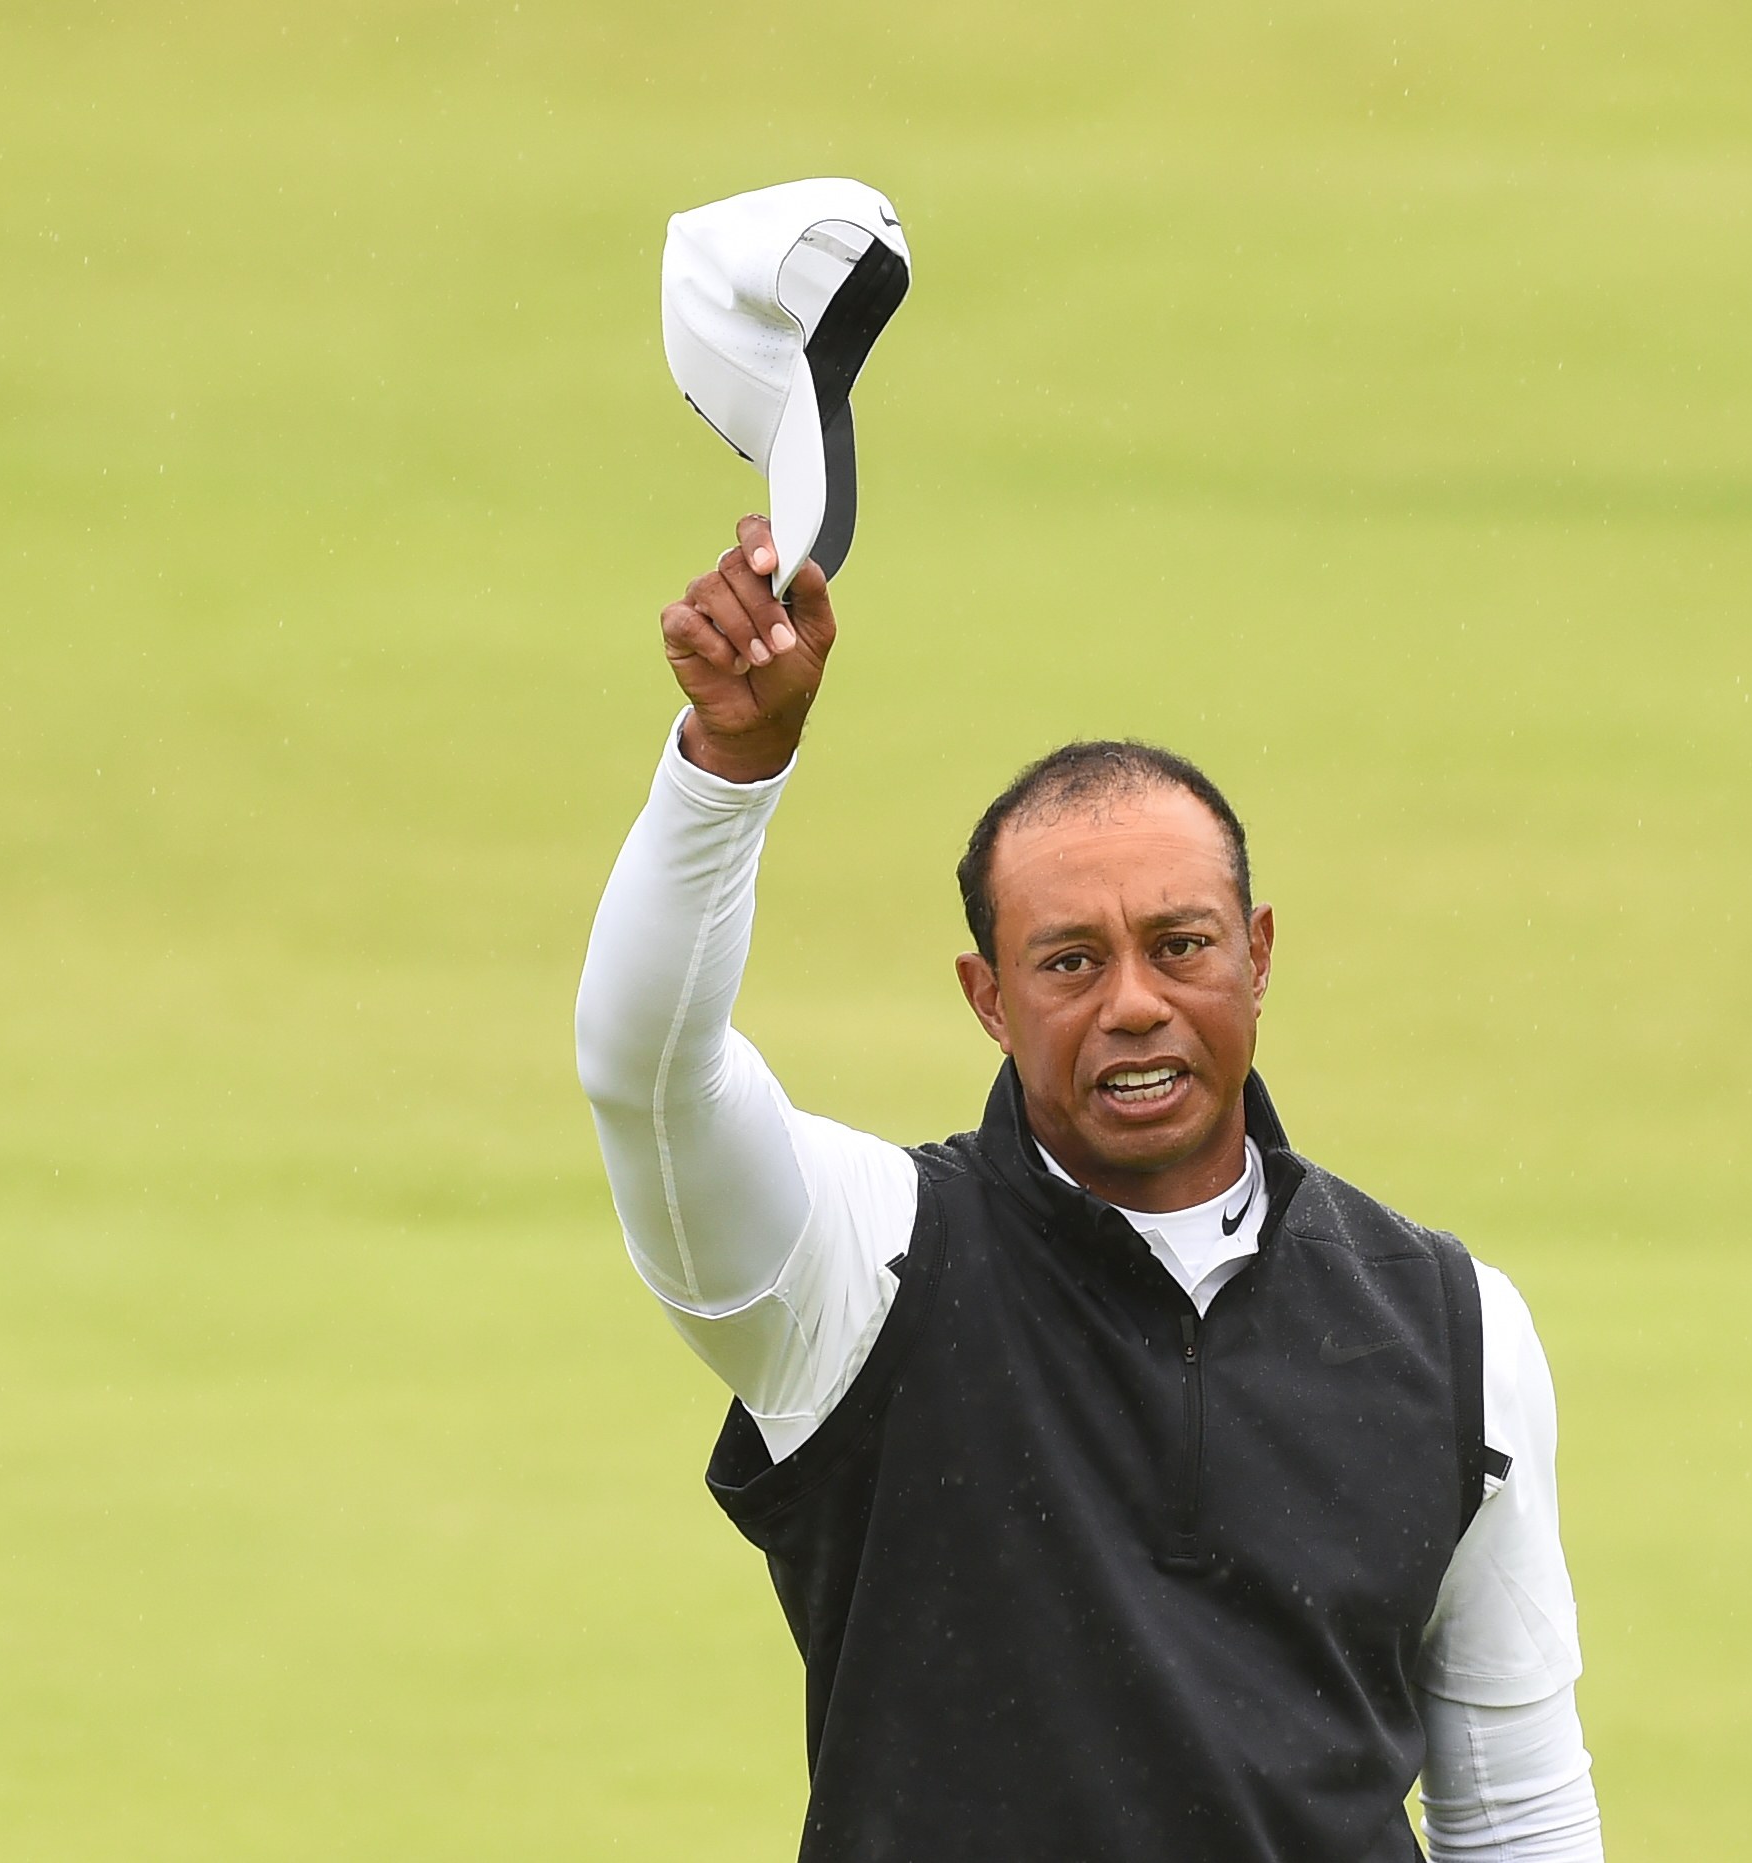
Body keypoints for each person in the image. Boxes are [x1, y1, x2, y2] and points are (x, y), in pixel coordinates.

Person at [575, 515, 1603, 1862]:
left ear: (1258, 956)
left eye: (1181, 946)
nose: (1133, 1004)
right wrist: (728, 769)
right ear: (987, 999)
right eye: (1069, 963)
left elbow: (1519, 1810)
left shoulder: (1452, 1326)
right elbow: (648, 1077)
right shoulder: (863, 1271)